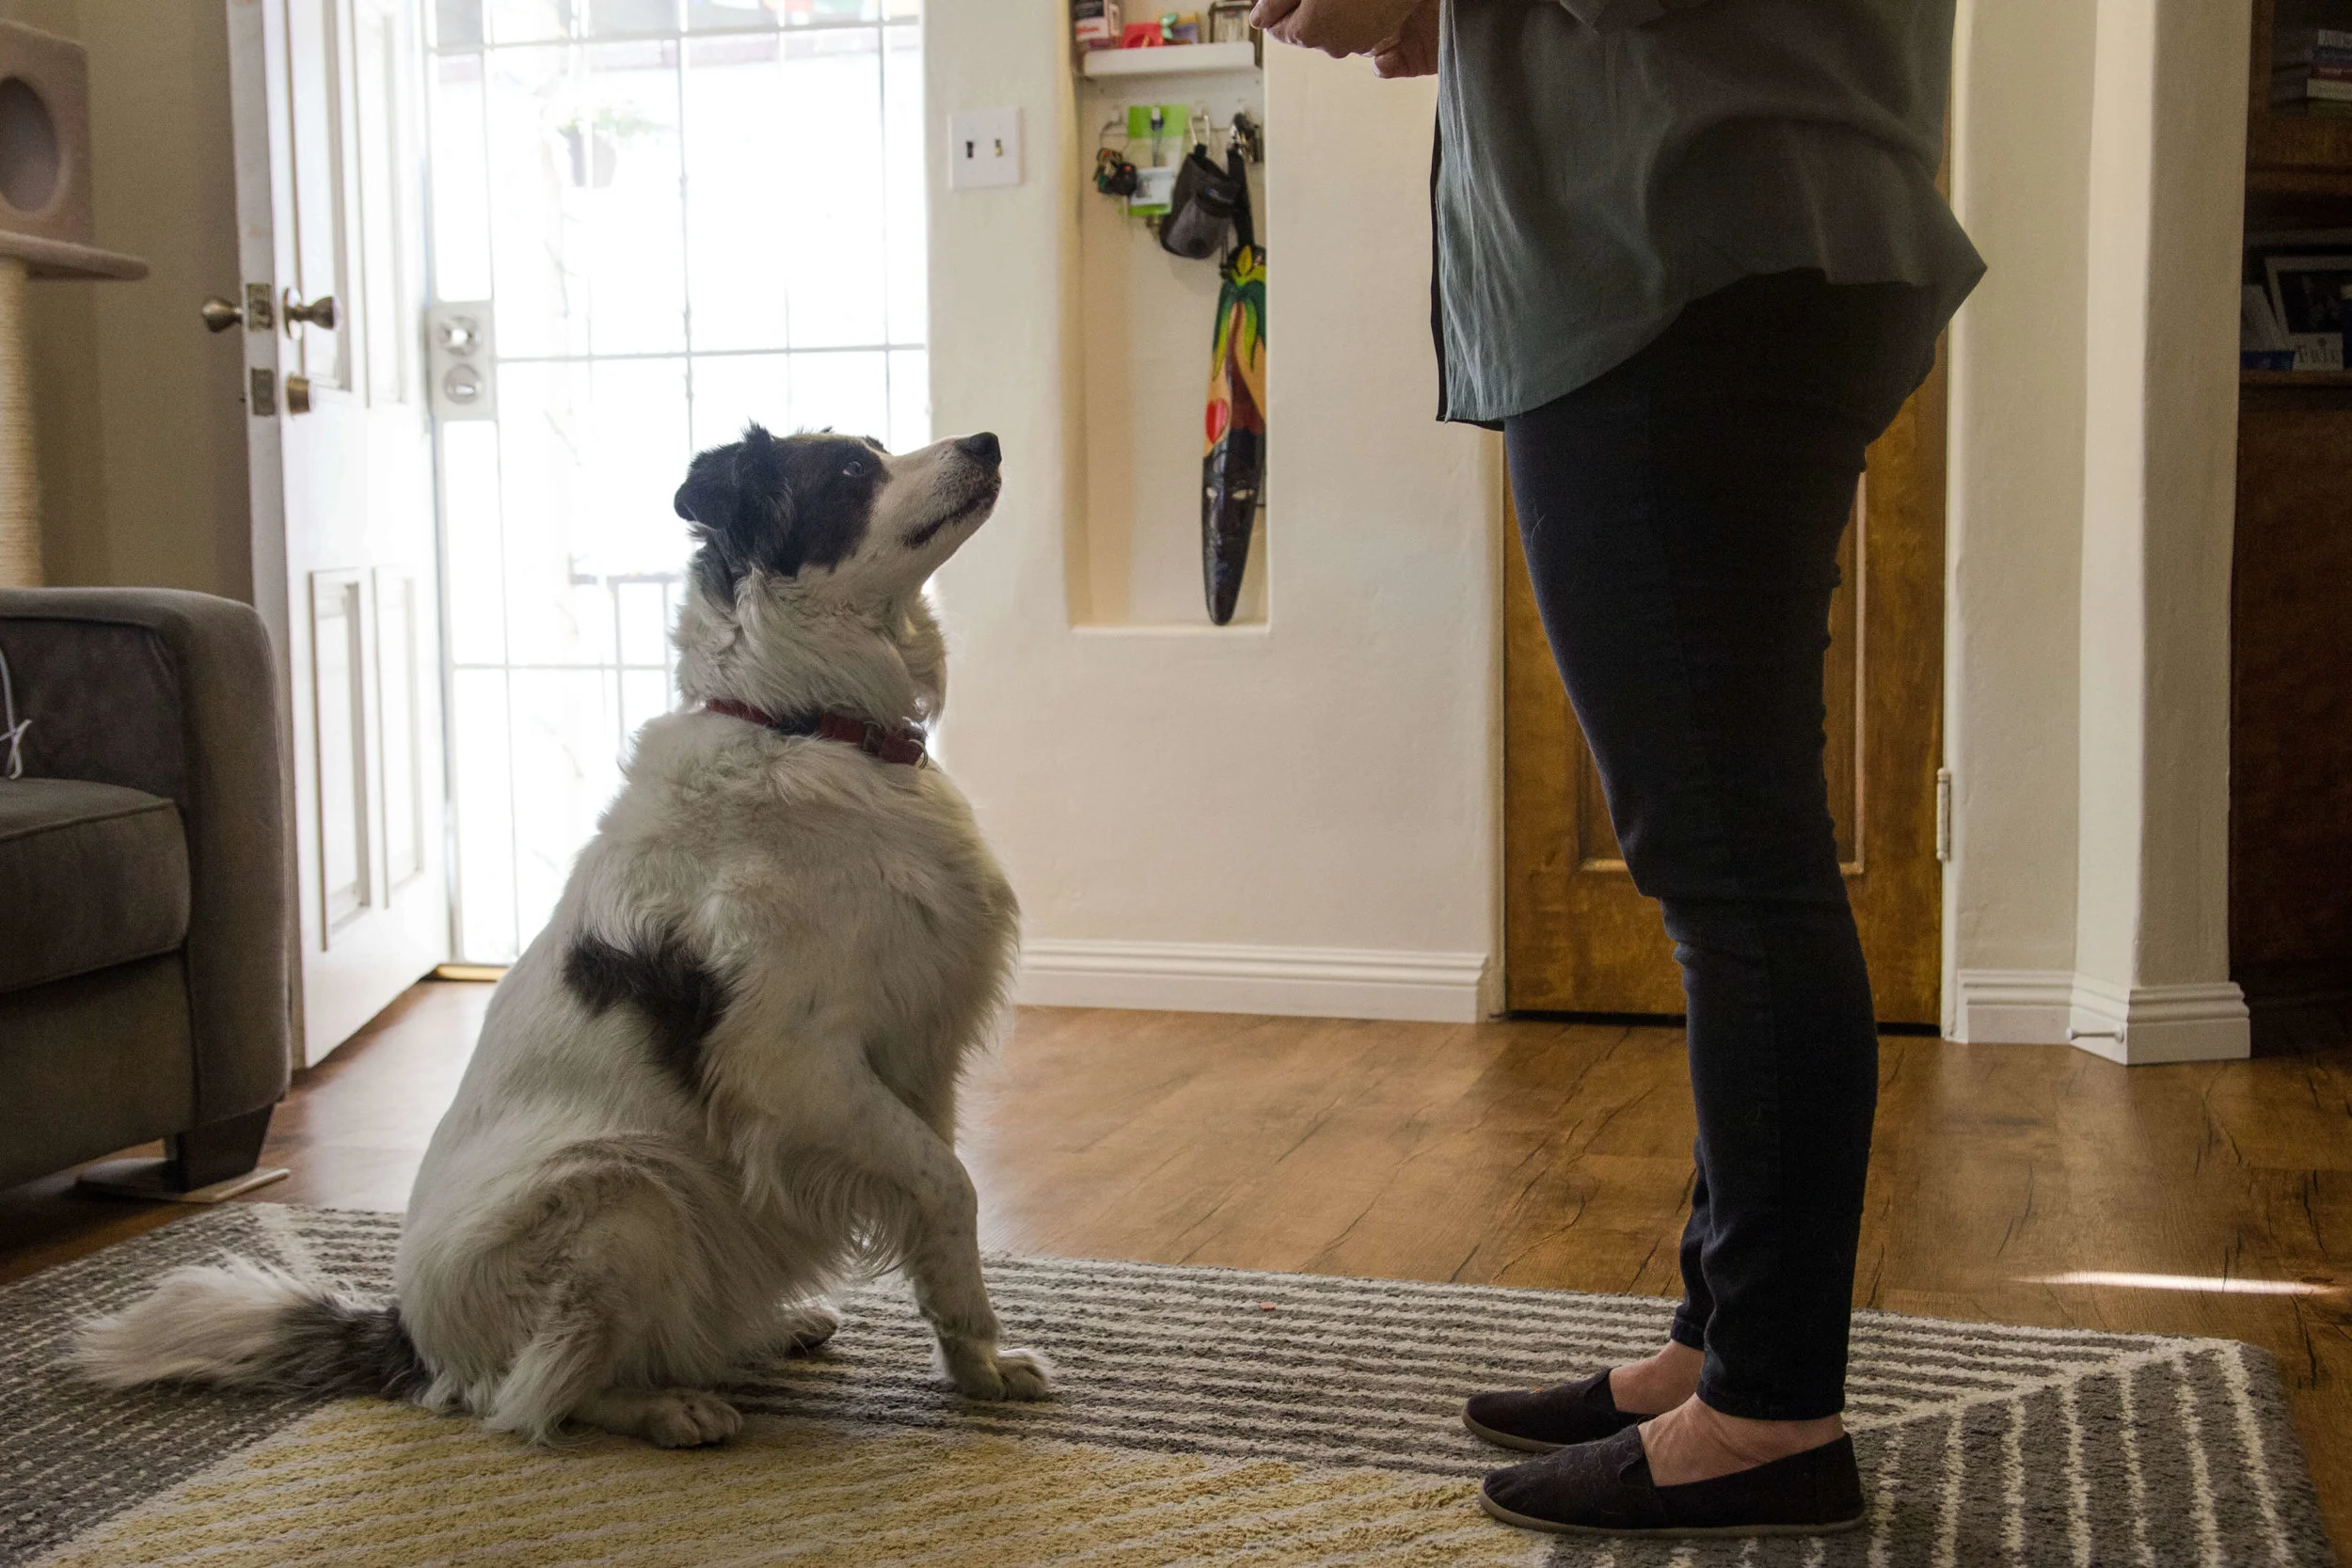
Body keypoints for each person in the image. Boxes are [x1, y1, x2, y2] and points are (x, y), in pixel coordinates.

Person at [1248, 0, 1983, 1540]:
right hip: (1731, 240)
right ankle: (1726, 1345)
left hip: (1691, 261)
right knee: (1735, 852)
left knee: (1734, 864)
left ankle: (1770, 1411)